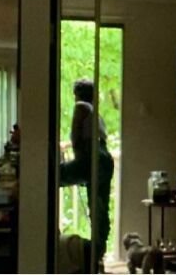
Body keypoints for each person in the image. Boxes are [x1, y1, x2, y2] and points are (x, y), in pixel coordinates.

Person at [60, 78, 115, 267]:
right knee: (99, 205)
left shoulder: (81, 107)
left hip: (92, 157)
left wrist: (77, 164)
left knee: (55, 176)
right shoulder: (96, 113)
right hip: (105, 158)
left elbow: (77, 138)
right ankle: (98, 251)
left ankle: (91, 252)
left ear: (78, 95)